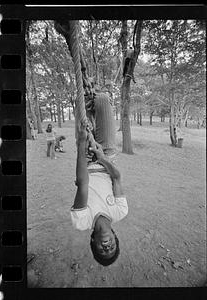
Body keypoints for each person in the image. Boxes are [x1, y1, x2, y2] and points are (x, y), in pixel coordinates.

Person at [71, 89, 128, 266]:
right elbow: (117, 177)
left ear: (93, 243)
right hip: (108, 155)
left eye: (102, 250)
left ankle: (86, 98)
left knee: (81, 103)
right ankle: (93, 92)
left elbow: (83, 184)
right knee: (103, 99)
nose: (107, 247)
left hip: (86, 159)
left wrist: (81, 143)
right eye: (111, 248)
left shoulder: (82, 222)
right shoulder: (120, 212)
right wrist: (102, 157)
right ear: (115, 238)